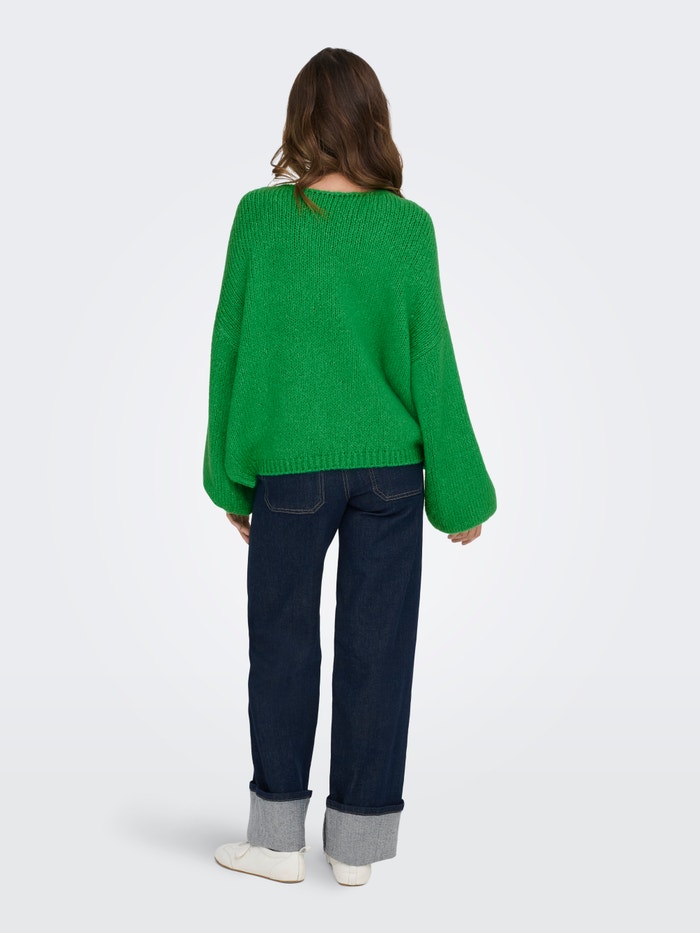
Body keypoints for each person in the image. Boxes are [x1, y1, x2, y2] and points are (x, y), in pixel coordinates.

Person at [203, 47, 497, 886]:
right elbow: (431, 363)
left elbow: (231, 348)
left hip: (291, 474)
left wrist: (229, 475)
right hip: (391, 477)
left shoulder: (261, 217)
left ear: (300, 121)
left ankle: (277, 840)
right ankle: (357, 846)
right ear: (375, 122)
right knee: (379, 650)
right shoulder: (408, 226)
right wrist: (460, 495)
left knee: (283, 646)